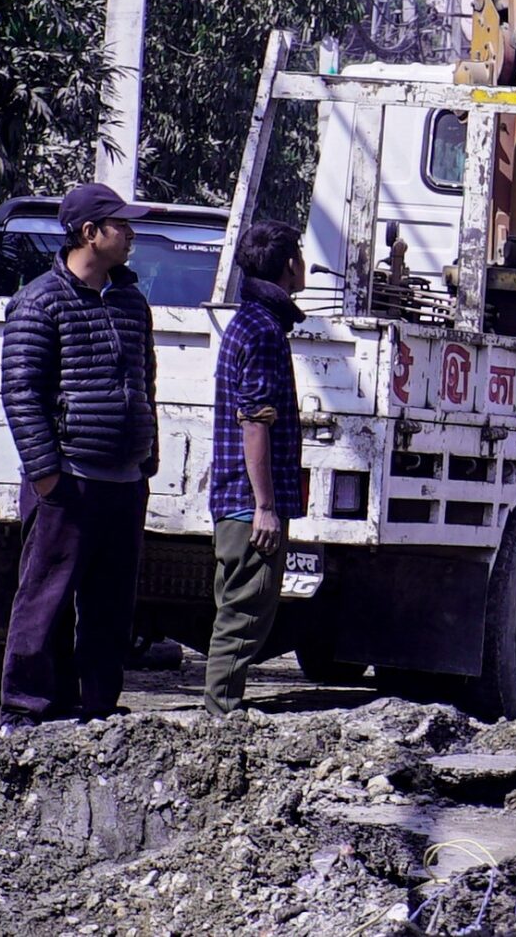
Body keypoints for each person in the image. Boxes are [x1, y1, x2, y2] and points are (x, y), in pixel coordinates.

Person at [0, 182, 158, 727]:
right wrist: (46, 476)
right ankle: (24, 713)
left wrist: (146, 460)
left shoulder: (132, 301)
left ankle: (98, 713)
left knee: (111, 610)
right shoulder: (40, 300)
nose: (131, 234)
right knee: (44, 603)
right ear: (89, 234)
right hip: (68, 480)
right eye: (121, 225)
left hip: (123, 482)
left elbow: (144, 381)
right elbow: (21, 393)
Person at [206, 221, 308, 714]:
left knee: (238, 611)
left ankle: (221, 716)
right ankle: (220, 722)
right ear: (290, 265)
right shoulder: (264, 331)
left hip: (236, 502)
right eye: (301, 256)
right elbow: (255, 421)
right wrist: (265, 506)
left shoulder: (250, 321)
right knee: (245, 615)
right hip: (248, 508)